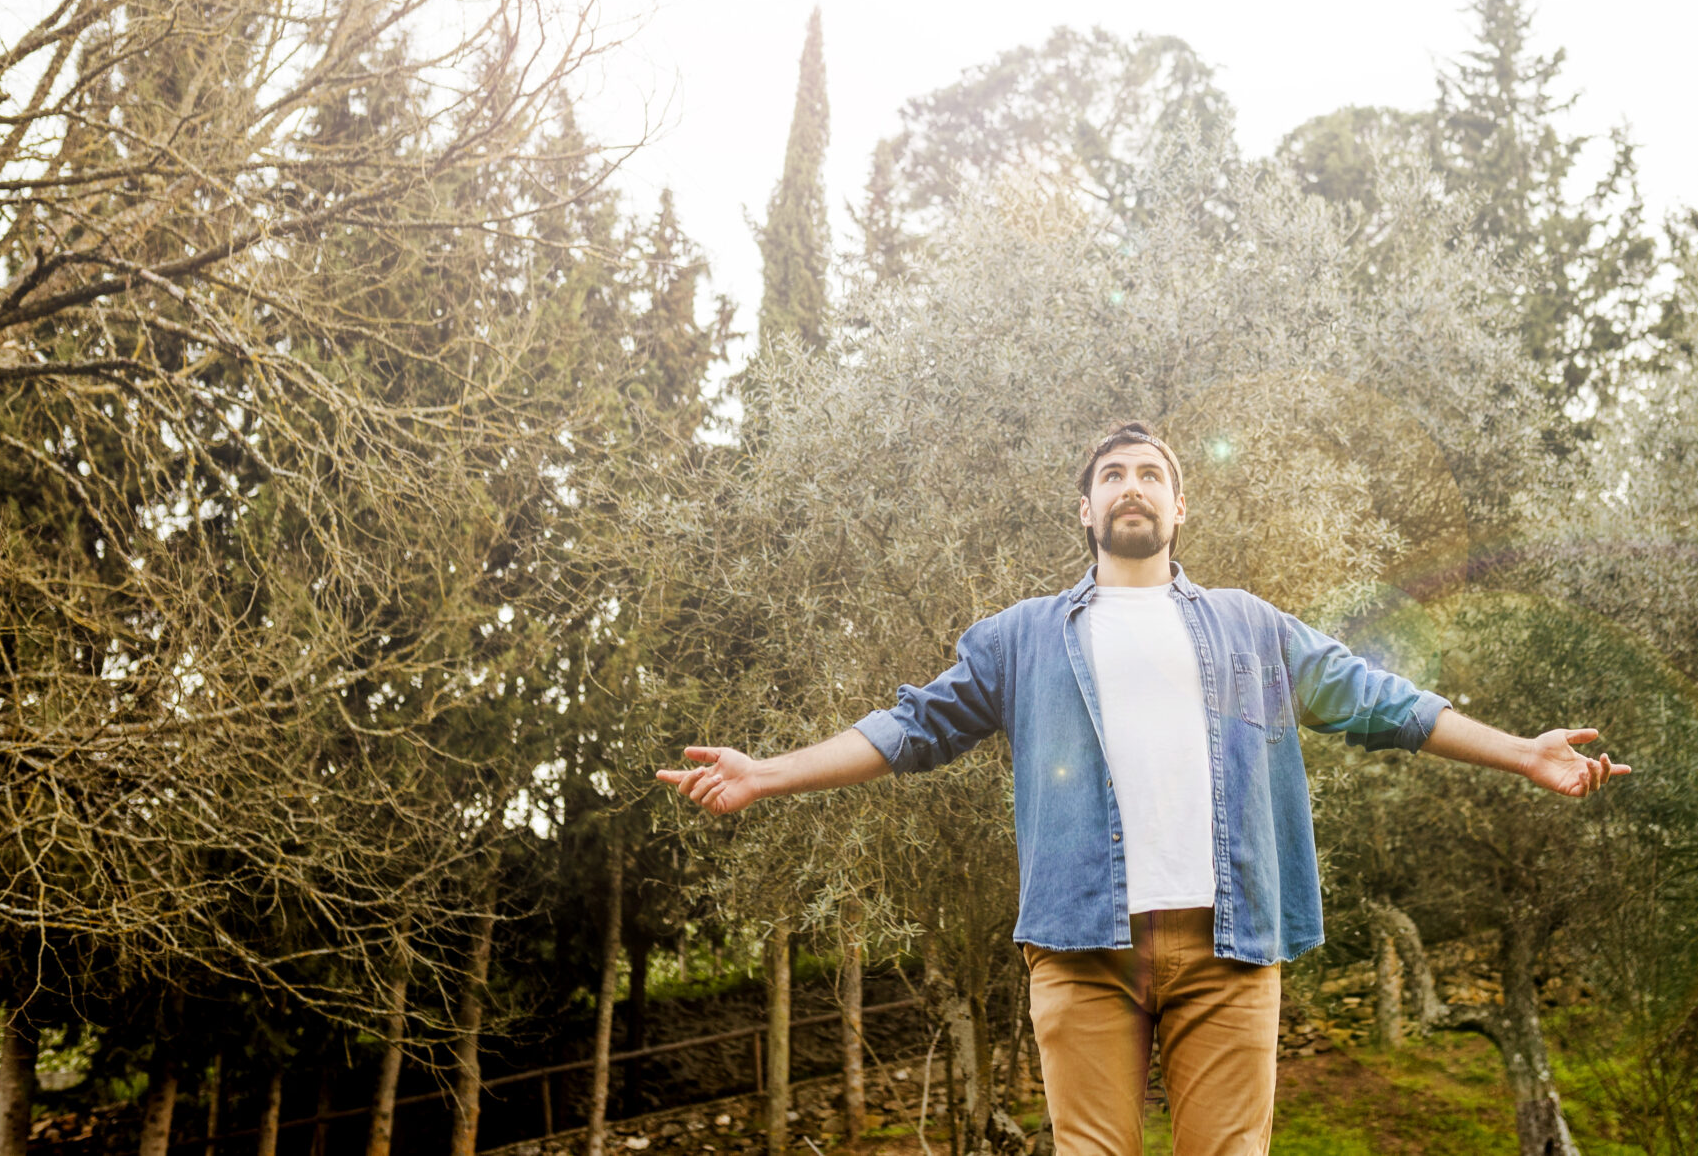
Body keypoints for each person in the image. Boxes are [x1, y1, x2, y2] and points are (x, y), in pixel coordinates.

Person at [658, 420, 1627, 1156]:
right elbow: (912, 727)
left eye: (1151, 474)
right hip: (1081, 949)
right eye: (1112, 476)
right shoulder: (1020, 638)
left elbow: (1381, 702)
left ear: (1178, 507)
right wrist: (767, 775)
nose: (1132, 487)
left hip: (1230, 946)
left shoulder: (1252, 627)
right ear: (1084, 511)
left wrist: (1522, 752)